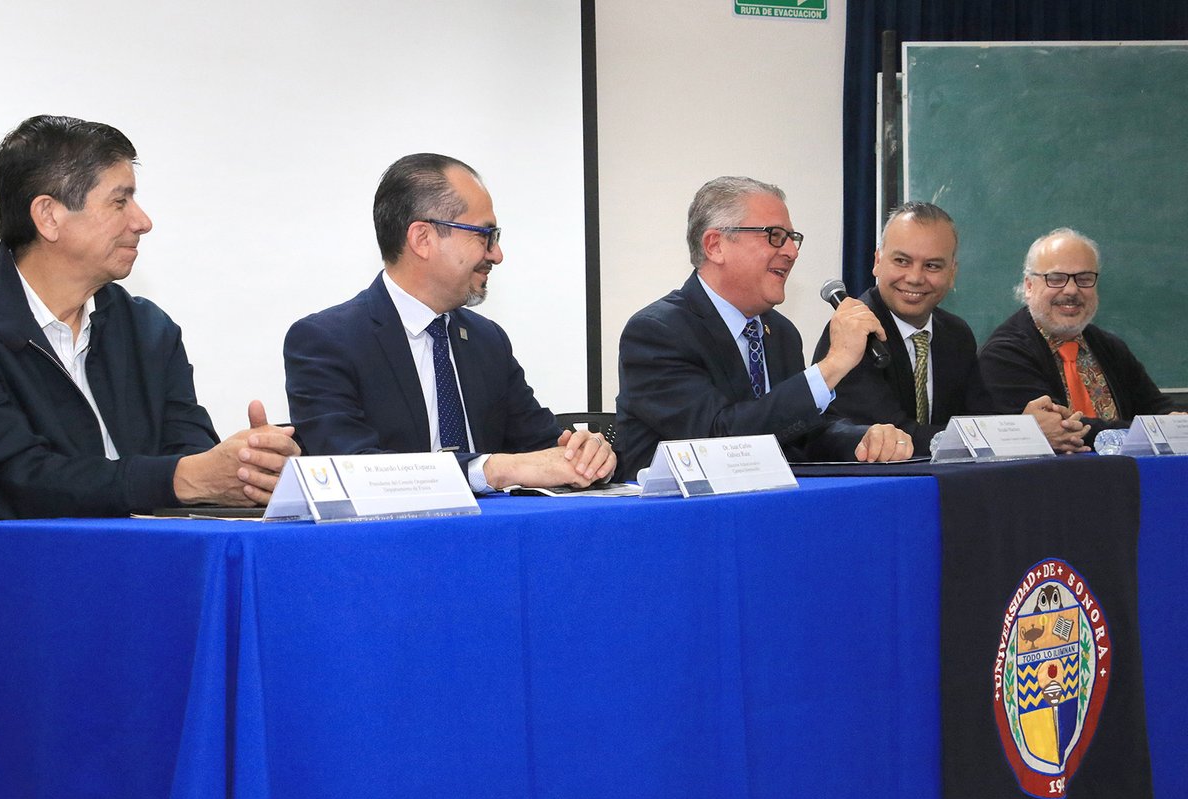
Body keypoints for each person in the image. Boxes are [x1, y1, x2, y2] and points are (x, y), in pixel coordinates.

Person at [0, 114, 299, 519]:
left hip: (149, 566)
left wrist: (248, 466)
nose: (142, 222)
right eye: (120, 201)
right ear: (48, 216)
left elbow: (190, 453)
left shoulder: (148, 329)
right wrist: (183, 478)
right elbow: (17, 480)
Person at [283, 153, 614, 491]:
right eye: (484, 235)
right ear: (422, 239)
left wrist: (587, 456)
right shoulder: (325, 342)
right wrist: (492, 469)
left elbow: (542, 446)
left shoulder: (488, 341)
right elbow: (352, 470)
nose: (496, 254)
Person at [614, 176, 913, 480]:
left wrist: (862, 440)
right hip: (677, 517)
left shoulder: (780, 332)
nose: (791, 252)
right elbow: (719, 440)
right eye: (774, 235)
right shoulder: (656, 332)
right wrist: (833, 365)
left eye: (792, 238)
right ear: (715, 245)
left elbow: (799, 433)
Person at [813, 203, 1091, 456]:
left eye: (932, 265)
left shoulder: (956, 335)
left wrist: (1023, 424)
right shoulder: (852, 332)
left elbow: (976, 420)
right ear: (877, 261)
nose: (914, 277)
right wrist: (1021, 434)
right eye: (902, 261)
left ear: (952, 273)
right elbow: (897, 435)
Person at [979, 227, 1182, 441]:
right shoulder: (1003, 353)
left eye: (1084, 279)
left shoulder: (1110, 347)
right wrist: (1156, 430)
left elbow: (1157, 407)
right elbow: (1061, 429)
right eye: (1056, 278)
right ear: (1029, 286)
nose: (1071, 290)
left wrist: (1175, 422)